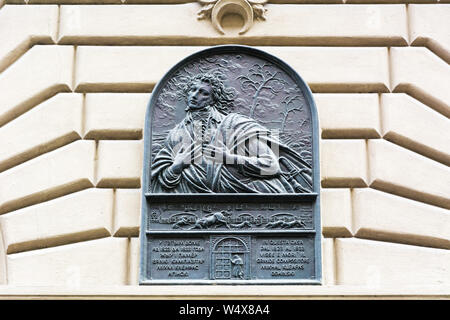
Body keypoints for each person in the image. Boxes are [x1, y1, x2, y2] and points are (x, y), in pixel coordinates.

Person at [150, 73, 312, 193]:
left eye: (203, 93)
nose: (195, 95)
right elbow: (162, 182)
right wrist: (177, 167)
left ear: (214, 99)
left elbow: (271, 166)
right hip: (194, 208)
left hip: (249, 197)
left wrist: (229, 159)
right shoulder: (176, 134)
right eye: (193, 90)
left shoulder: (234, 124)